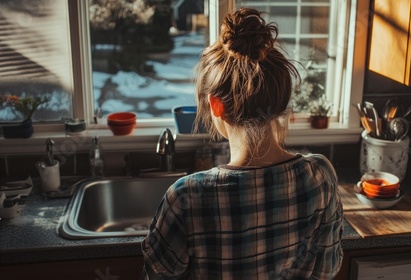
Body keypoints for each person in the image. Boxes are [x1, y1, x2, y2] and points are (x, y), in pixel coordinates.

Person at [141, 7, 343, 279]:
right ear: (282, 98)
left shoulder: (186, 198)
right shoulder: (320, 177)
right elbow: (326, 271)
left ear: (215, 105)